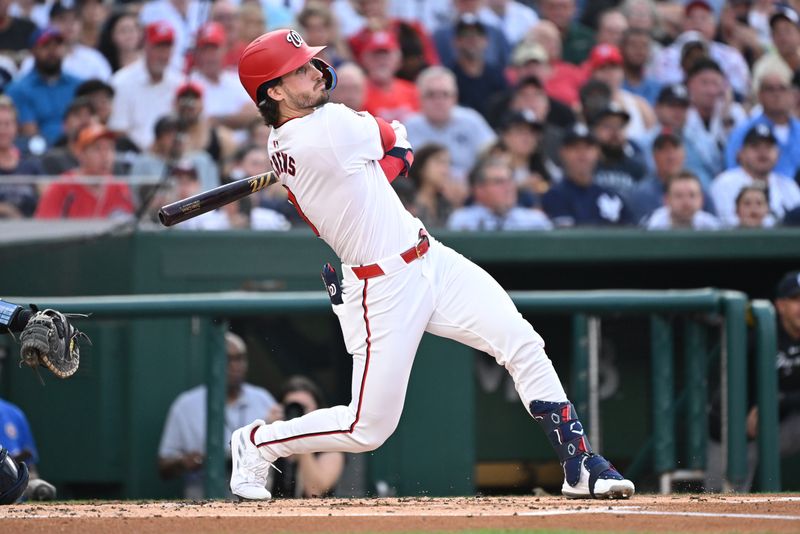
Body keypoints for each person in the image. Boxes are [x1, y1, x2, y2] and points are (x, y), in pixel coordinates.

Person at [230, 29, 635, 501]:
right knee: (367, 428)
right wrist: (399, 157)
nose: (316, 71)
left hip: (429, 257)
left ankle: (580, 463)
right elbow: (392, 138)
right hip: (380, 287)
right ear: (274, 92)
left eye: (310, 62)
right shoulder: (330, 126)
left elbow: (377, 165)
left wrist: (394, 157)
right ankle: (258, 443)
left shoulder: (292, 142)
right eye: (298, 69)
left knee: (521, 340)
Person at [705, 270, 800, 492]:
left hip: (785, 420)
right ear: (780, 305)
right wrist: (745, 413)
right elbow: (727, 385)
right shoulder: (759, 333)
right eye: (795, 300)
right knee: (717, 493)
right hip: (742, 426)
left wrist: (777, 402)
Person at [158, 332, 277, 499]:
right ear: (213, 362)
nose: (235, 366)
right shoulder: (186, 405)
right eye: (228, 359)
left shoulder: (263, 399)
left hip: (254, 494)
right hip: (202, 495)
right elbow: (164, 466)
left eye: (240, 359)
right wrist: (186, 461)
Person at [405, 66, 496, 184]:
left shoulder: (471, 121)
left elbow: (493, 154)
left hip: (471, 190)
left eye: (445, 94)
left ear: (455, 98)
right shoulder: (407, 127)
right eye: (431, 94)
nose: (439, 100)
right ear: (419, 98)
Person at [264, 376, 346, 498]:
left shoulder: (330, 448)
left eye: (303, 409)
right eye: (292, 407)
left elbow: (315, 491)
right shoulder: (272, 447)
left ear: (319, 412)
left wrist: (300, 440)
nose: (297, 415)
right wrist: (268, 432)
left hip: (316, 516)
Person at [108, 21, 182, 152]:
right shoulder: (121, 82)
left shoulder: (180, 83)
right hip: (133, 157)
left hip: (171, 154)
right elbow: (118, 131)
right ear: (145, 47)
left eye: (167, 48)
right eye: (158, 48)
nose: (163, 55)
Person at [35, 123, 135, 219]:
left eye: (110, 148)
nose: (106, 156)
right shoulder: (61, 187)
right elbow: (43, 229)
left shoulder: (120, 187)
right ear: (81, 154)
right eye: (97, 149)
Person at [4, 26, 82, 148]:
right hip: (40, 153)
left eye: (57, 46)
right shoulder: (19, 89)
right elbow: (30, 133)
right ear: (33, 51)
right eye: (46, 46)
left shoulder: (78, 84)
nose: (52, 51)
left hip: (79, 146)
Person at [542, 123, 632, 227]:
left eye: (588, 148)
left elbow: (631, 234)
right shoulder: (555, 195)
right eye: (575, 148)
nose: (582, 154)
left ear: (598, 152)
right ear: (563, 152)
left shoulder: (611, 196)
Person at [711, 124, 800, 226]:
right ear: (740, 153)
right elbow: (725, 224)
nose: (763, 152)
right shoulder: (724, 183)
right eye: (755, 146)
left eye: (768, 147)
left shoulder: (789, 186)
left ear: (778, 153)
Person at [725, 68, 800, 180]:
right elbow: (732, 169)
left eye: (782, 89)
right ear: (759, 95)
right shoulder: (743, 132)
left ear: (792, 95)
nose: (777, 94)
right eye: (770, 89)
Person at [446, 155, 552, 231]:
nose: (508, 187)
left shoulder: (535, 221)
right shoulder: (462, 222)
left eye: (510, 180)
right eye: (499, 182)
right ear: (479, 189)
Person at [449, 13, 508, 120]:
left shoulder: (496, 75)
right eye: (465, 35)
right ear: (456, 42)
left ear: (486, 41)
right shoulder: (448, 76)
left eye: (477, 35)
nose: (472, 40)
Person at [0, 96, 42, 219]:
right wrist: (6, 210)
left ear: (16, 128)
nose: (2, 129)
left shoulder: (31, 165)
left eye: (7, 124)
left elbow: (47, 196)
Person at [407, 143, 464, 229]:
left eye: (448, 164)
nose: (445, 170)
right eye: (439, 162)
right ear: (421, 167)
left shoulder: (446, 205)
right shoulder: (405, 200)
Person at [642, 171, 721, 230]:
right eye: (679, 196)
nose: (686, 202)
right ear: (666, 200)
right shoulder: (654, 226)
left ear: (702, 200)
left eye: (692, 195)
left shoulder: (711, 226)